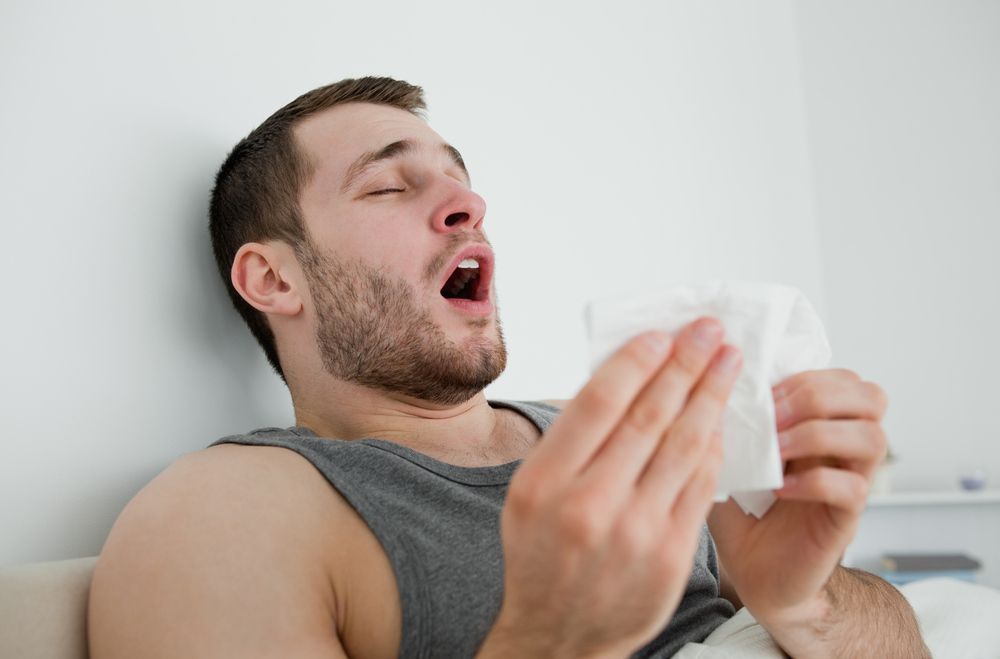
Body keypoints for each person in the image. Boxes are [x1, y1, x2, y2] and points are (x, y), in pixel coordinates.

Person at [88, 77, 929, 658]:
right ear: (273, 278)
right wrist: (554, 636)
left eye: (460, 179)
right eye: (388, 187)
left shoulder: (605, 431)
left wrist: (801, 599)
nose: (470, 205)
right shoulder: (227, 510)